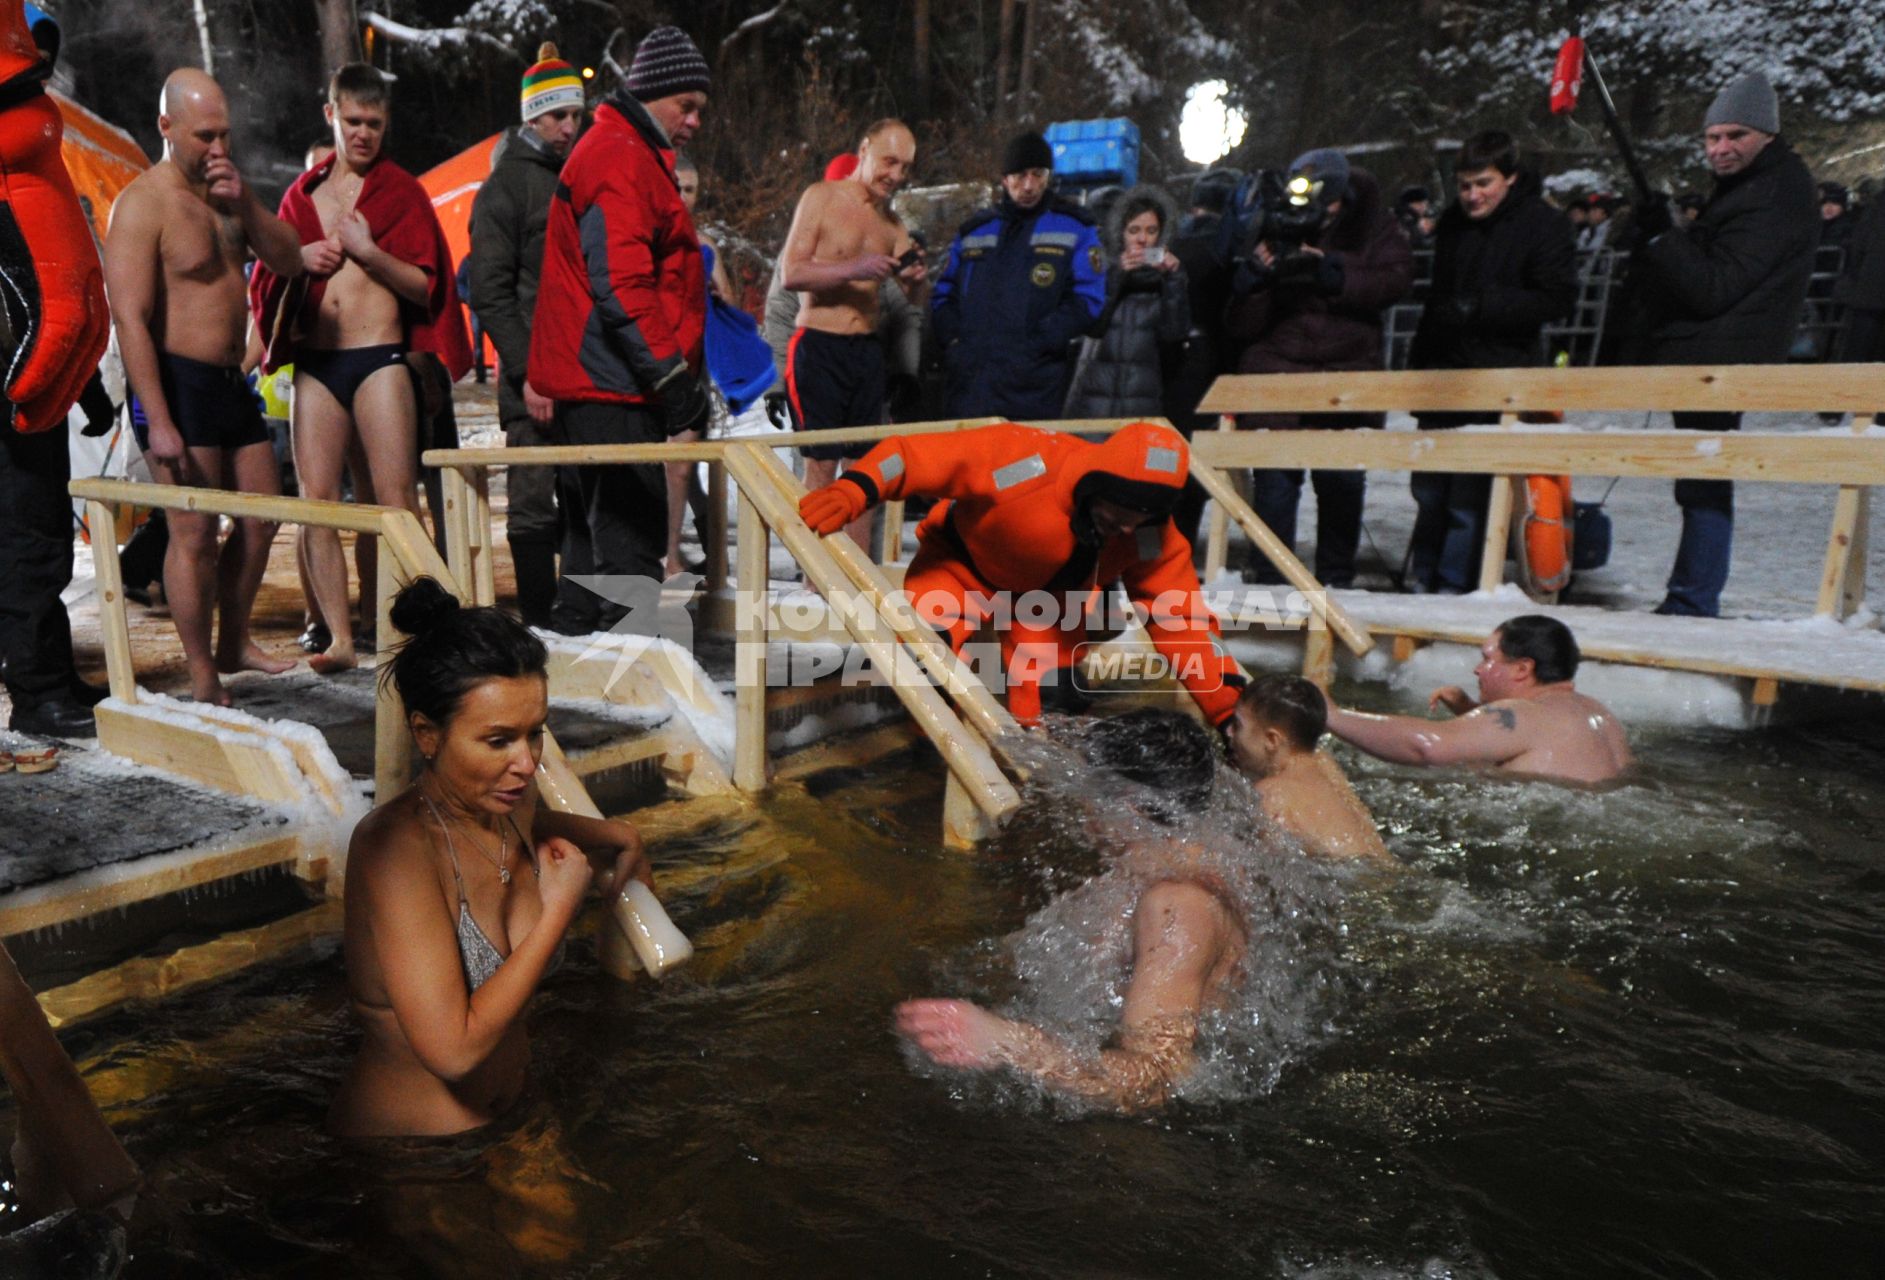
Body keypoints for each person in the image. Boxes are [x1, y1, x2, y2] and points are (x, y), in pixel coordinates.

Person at [330, 577, 652, 1138]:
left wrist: (618, 835)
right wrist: (557, 911)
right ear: (428, 736)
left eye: (536, 734)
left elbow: (522, 823)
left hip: (516, 1118)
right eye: (499, 740)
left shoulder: (508, 800)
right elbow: (452, 1052)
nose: (527, 764)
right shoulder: (393, 853)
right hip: (418, 1155)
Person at [898, 709, 1246, 1111]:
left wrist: (1007, 1043)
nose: (1079, 799)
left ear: (1129, 805)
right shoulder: (1170, 866)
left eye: (1087, 784)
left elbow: (1154, 1080)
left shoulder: (1180, 905)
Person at [799, 420, 1245, 727]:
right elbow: (911, 457)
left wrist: (1228, 708)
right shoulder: (1025, 460)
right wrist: (856, 488)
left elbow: (1181, 619)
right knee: (926, 667)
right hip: (960, 574)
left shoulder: (1149, 533)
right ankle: (934, 760)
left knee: (1057, 706)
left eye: (1143, 518)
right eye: (1121, 513)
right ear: (1096, 488)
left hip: (1048, 611)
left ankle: (1035, 795)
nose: (1128, 527)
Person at [250, 64, 471, 672]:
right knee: (316, 503)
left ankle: (404, 626)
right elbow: (270, 277)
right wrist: (299, 258)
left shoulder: (401, 192)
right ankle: (339, 636)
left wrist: (370, 252)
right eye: (354, 121)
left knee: (395, 504)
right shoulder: (303, 196)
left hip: (380, 358)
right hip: (319, 364)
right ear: (332, 116)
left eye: (375, 123)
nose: (365, 133)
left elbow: (428, 289)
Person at [102, 69, 303, 706]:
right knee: (193, 536)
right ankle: (203, 672)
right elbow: (129, 317)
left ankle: (233, 640)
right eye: (203, 136)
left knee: (264, 518)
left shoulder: (228, 195)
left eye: (224, 134)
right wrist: (156, 418)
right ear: (166, 127)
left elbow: (290, 260)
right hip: (175, 383)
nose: (217, 148)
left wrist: (245, 202)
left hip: (227, 379)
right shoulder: (142, 204)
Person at [528, 25, 712, 635]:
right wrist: (673, 379)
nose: (693, 122)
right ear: (653, 94)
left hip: (602, 382)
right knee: (629, 560)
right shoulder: (619, 156)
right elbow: (624, 287)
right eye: (686, 106)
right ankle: (642, 701)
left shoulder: (624, 151)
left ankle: (586, 701)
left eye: (699, 110)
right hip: (612, 385)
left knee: (590, 554)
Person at [1619, 71, 1817, 617]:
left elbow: (1715, 285)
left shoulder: (1773, 193)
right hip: (1712, 352)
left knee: (1705, 478)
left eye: (1736, 136)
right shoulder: (1752, 187)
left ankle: (1693, 597)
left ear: (1767, 137)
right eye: (1713, 137)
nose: (1722, 148)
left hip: (1725, 355)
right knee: (1699, 476)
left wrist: (1665, 238)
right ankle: (1691, 593)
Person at [1225, 147, 1413, 588]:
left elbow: (1395, 278)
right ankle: (1269, 581)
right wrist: (1253, 281)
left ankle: (1336, 579)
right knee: (1274, 486)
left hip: (1344, 375)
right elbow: (1242, 324)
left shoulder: (1372, 224)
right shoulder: (1273, 220)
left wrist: (1333, 273)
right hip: (1279, 374)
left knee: (1341, 483)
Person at [0, 0, 112, 738]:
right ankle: (37, 690)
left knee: (41, 532)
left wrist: (89, 381)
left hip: (41, 367)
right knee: (25, 539)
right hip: (14, 374)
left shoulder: (30, 133)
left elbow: (58, 273)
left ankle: (51, 673)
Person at [1403, 130, 1577, 594]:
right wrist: (1419, 367)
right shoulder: (1454, 226)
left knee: (1469, 496)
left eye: (1483, 183)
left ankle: (1453, 587)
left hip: (1500, 375)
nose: (1472, 195)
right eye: (1464, 185)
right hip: (1443, 377)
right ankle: (1424, 579)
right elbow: (1436, 301)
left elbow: (1556, 297)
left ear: (1510, 178)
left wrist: (1484, 306)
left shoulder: (1543, 225)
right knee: (1429, 492)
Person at [469, 43, 584, 630]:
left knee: (583, 496)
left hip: (585, 374)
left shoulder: (575, 178)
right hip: (535, 380)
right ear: (531, 117)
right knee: (535, 500)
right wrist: (527, 371)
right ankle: (540, 623)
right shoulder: (507, 187)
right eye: (557, 115)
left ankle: (579, 617)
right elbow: (490, 291)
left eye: (575, 115)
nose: (568, 126)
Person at [777, 119, 926, 548]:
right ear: (864, 150)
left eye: (906, 167)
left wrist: (917, 278)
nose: (896, 176)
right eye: (889, 162)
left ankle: (858, 571)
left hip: (866, 351)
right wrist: (854, 269)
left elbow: (914, 299)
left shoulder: (893, 225)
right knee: (821, 464)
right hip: (818, 345)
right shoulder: (820, 198)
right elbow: (792, 273)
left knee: (863, 467)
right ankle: (815, 575)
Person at [1322, 615, 1630, 785]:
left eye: (1487, 660)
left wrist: (1332, 715)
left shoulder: (1523, 713)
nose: (1477, 670)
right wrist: (1471, 711)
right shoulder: (1599, 714)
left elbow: (1427, 747)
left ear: (1523, 668)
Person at [931, 131, 1105, 421]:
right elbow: (942, 294)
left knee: (1026, 466)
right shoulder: (974, 231)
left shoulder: (1076, 228)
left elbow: (1089, 301)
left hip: (1035, 386)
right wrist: (955, 342)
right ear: (1004, 179)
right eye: (1020, 176)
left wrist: (1039, 343)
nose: (1029, 185)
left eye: (1038, 175)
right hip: (971, 383)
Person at [1222, 674, 1389, 863]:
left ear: (1272, 740)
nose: (1228, 732)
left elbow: (1268, 874)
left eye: (1237, 725)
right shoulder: (1325, 764)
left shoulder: (1273, 793)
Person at [1062, 185, 1189, 423]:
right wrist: (1116, 275)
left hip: (1142, 408)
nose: (1142, 239)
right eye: (1134, 230)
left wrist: (1174, 279)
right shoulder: (1099, 272)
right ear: (1120, 233)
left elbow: (1173, 335)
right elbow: (1091, 325)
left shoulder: (1166, 282)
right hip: (1092, 407)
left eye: (1151, 231)